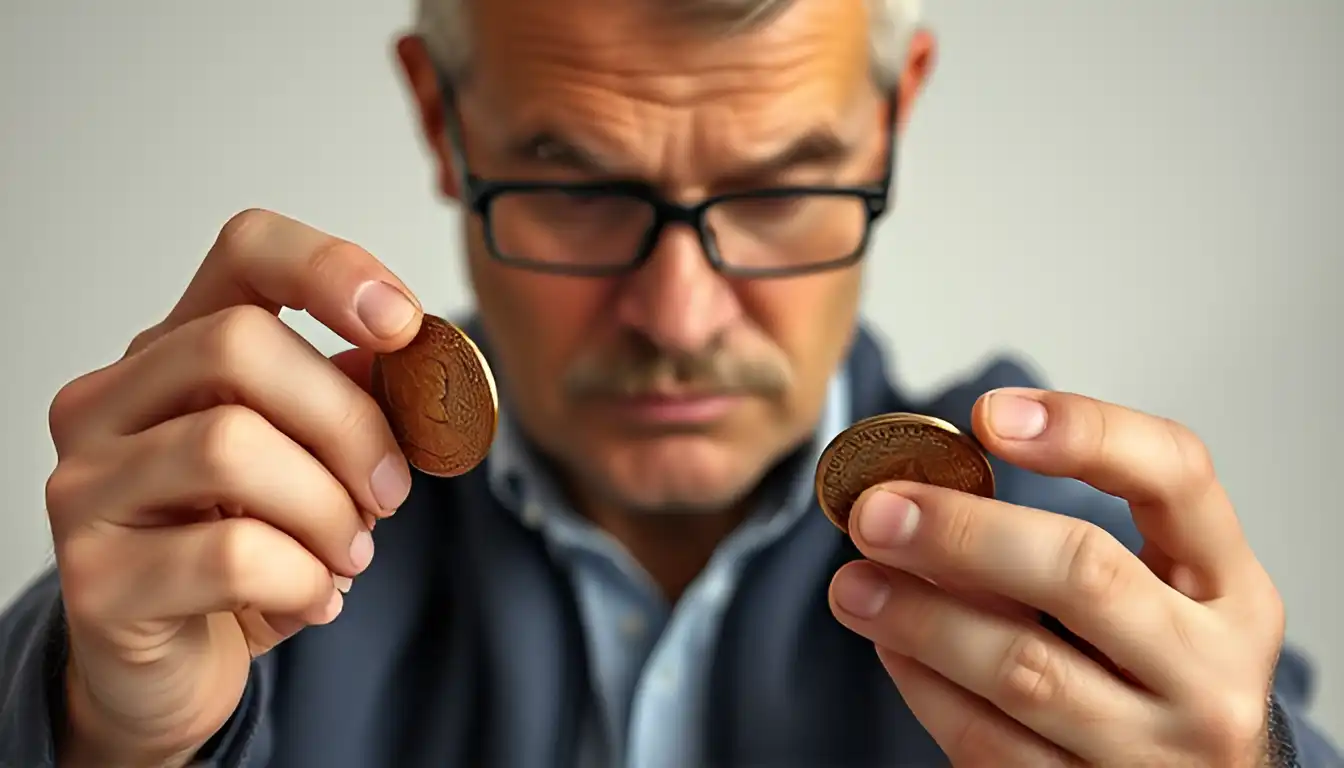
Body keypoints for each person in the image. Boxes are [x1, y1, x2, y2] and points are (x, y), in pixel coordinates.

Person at [0, 0, 1339, 765]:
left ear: (894, 121)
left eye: (775, 189)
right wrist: (105, 744)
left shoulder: (1075, 573)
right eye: (578, 189)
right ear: (438, 121)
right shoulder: (241, 574)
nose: (679, 317)